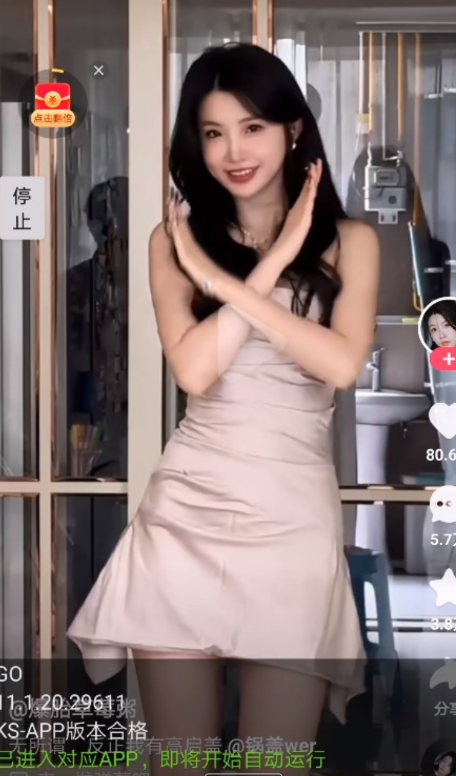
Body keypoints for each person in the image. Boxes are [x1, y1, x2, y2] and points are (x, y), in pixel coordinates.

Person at [67, 42, 379, 774]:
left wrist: (229, 283)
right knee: (179, 763)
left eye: (252, 127)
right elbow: (195, 370)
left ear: (293, 130)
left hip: (292, 526)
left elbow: (339, 364)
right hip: (186, 517)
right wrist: (266, 268)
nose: (234, 152)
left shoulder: (352, 243)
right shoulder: (172, 243)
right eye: (213, 133)